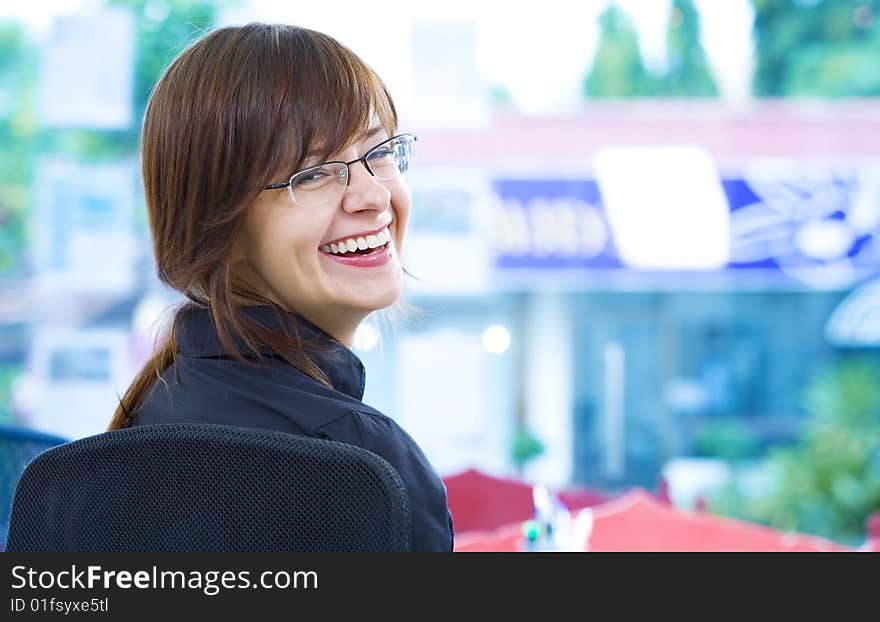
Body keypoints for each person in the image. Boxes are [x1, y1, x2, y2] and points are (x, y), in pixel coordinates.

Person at [108, 23, 453, 552]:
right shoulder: (358, 462)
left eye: (379, 151)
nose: (374, 196)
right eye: (313, 173)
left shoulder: (150, 414)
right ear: (219, 227)